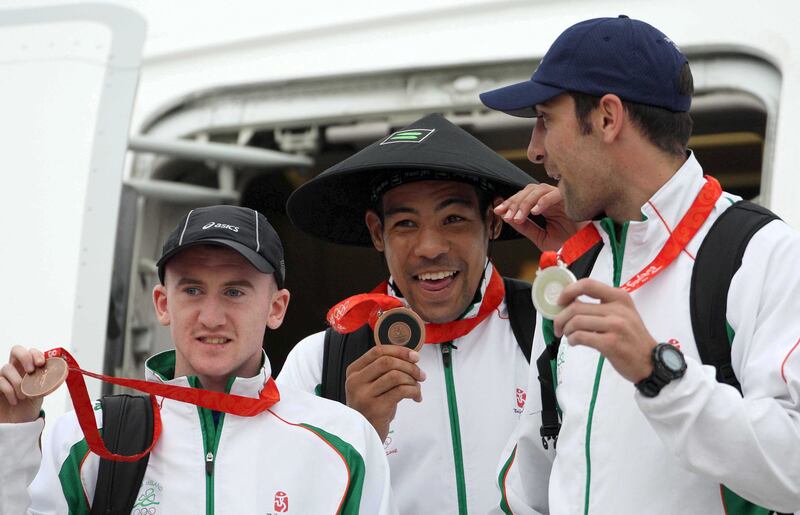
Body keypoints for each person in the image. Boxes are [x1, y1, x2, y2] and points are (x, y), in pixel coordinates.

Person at [480, 15, 800, 514]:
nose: (534, 149)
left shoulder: (761, 252)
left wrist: (659, 373)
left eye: (546, 117)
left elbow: (794, 473)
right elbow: (532, 482)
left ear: (608, 117)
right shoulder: (577, 261)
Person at [0, 205, 395, 514]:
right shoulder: (86, 437)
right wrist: (11, 434)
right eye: (192, 290)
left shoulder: (344, 442)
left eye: (235, 292)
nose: (211, 317)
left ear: (277, 308)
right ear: (162, 303)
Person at [278, 113, 579, 514]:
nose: (430, 247)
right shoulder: (318, 362)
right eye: (405, 223)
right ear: (376, 232)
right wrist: (351, 433)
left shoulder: (554, 326)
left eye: (453, 218)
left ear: (491, 222)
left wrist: (588, 244)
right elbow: (279, 496)